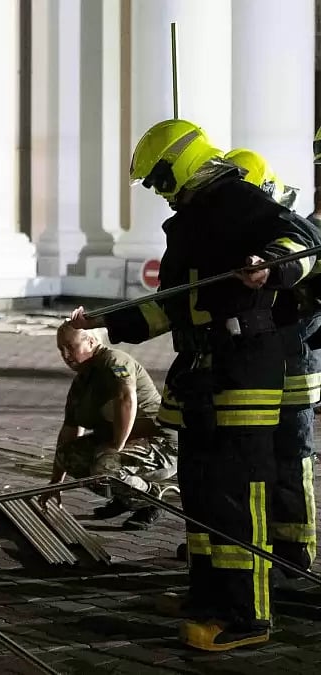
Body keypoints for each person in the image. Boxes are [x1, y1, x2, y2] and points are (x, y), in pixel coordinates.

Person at [69, 118, 321, 651]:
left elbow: (303, 241)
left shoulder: (239, 201)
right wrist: (106, 323)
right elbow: (172, 309)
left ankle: (246, 618)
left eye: (161, 180)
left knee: (236, 497)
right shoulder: (193, 224)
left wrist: (270, 266)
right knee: (202, 496)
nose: (162, 194)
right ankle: (207, 599)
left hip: (241, 377)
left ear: (181, 162)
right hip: (201, 375)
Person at [226, 148, 321, 572]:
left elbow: (299, 264)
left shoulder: (291, 228)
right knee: (264, 457)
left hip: (296, 359)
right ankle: (268, 543)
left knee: (292, 453)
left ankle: (296, 547)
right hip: (269, 360)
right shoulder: (253, 222)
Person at [38, 323, 176, 530]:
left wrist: (116, 446)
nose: (65, 355)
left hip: (162, 445)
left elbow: (126, 398)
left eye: (70, 346)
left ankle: (151, 500)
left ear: (91, 342)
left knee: (106, 465)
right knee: (69, 456)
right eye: (60, 349)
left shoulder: (114, 361)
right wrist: (56, 482)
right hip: (125, 443)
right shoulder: (81, 382)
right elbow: (70, 429)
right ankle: (127, 498)